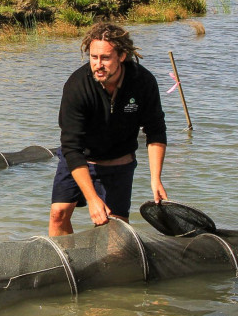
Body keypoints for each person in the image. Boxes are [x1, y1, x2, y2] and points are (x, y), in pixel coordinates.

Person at [50, 22, 168, 236]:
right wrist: (93, 199)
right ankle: (65, 264)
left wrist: (155, 178)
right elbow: (71, 147)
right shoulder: (77, 85)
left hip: (119, 162)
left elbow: (156, 131)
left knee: (113, 230)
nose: (98, 65)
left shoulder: (143, 82)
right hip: (80, 159)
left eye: (105, 58)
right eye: (93, 57)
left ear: (122, 56)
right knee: (58, 213)